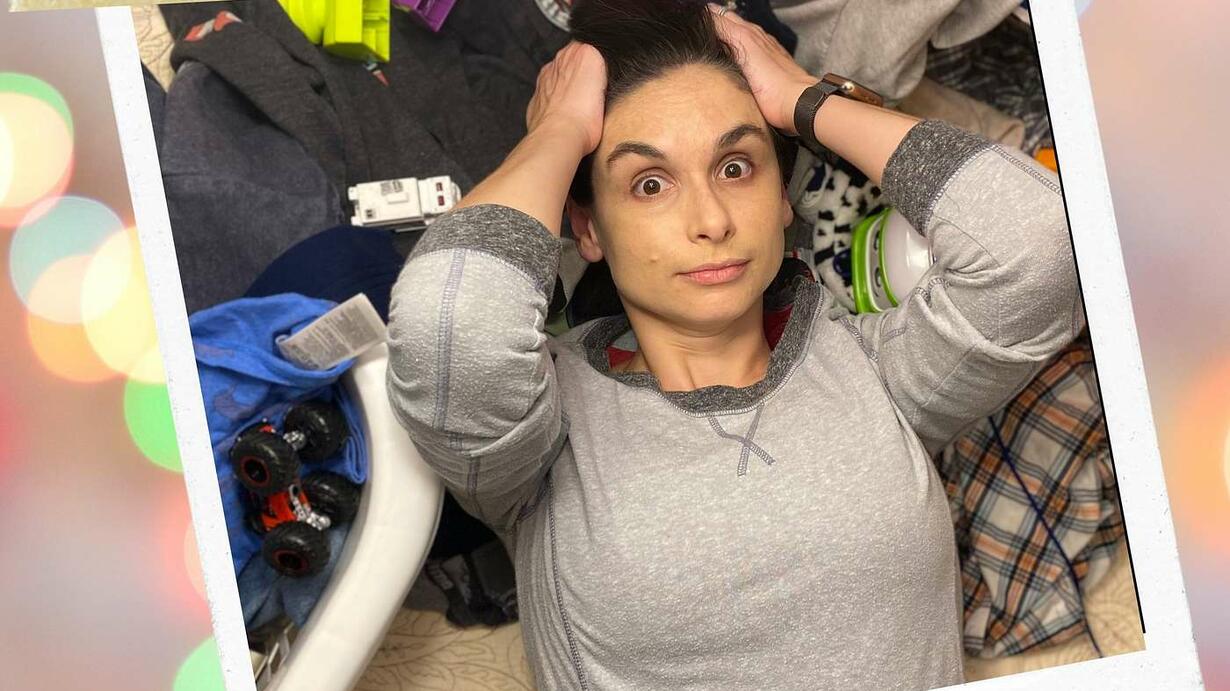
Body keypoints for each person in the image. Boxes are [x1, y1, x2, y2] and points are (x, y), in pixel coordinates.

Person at [385, 1, 1082, 688]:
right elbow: (450, 327)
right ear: (588, 229)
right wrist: (560, 129)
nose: (711, 219)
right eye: (649, 183)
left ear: (782, 198)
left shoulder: (878, 373)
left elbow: (1042, 245)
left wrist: (805, 98)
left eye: (736, 167)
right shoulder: (541, 438)